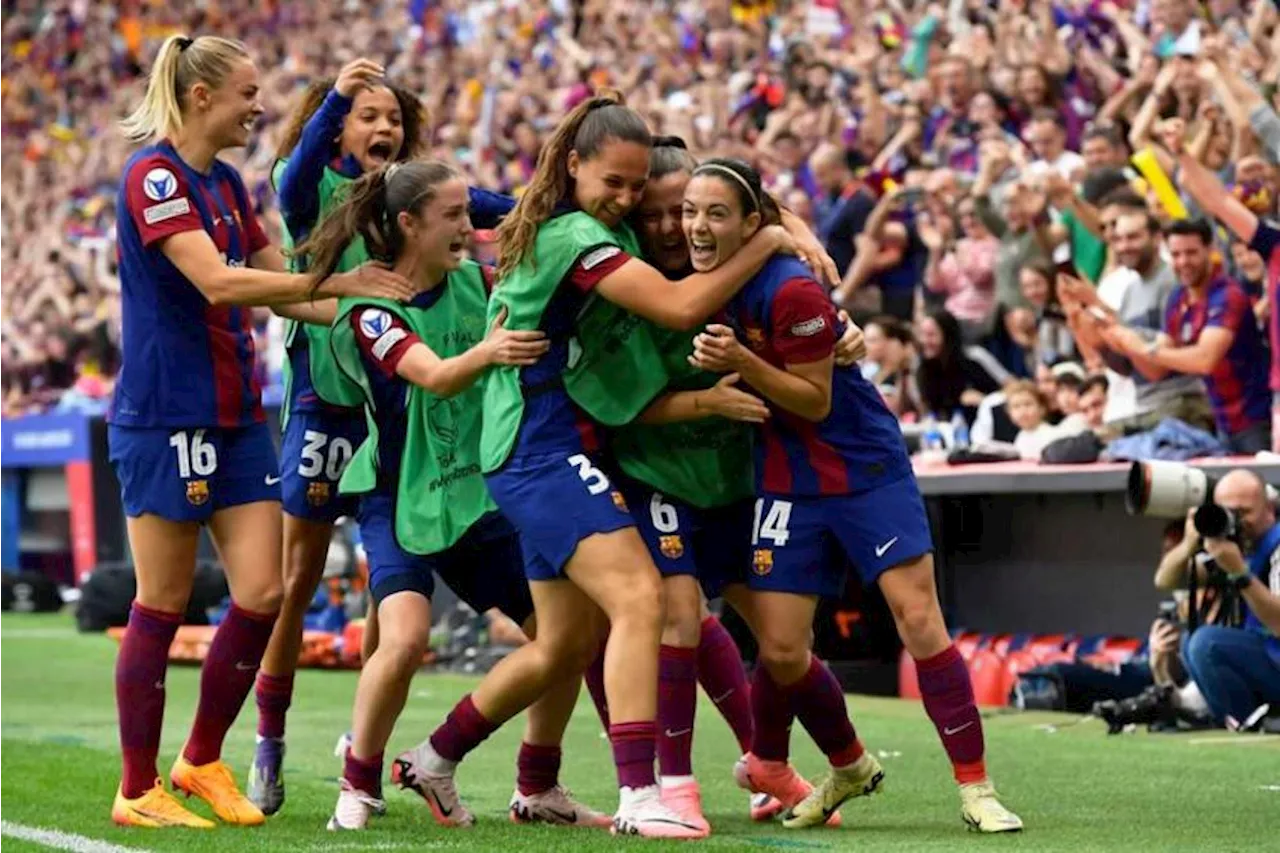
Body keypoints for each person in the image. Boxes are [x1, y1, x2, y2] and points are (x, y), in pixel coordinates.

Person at [107, 34, 412, 830]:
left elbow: (287, 290)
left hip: (238, 414)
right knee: (163, 600)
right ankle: (137, 786)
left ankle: (201, 759)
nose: (259, 106)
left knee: (265, 592)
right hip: (167, 414)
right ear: (202, 96)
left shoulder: (228, 182)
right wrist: (339, 280)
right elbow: (219, 279)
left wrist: (373, 306)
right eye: (247, 93)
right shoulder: (154, 176)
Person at [479, 90, 795, 838]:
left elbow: (478, 202)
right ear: (576, 164)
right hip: (539, 442)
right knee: (641, 601)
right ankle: (643, 791)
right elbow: (681, 311)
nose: (628, 204)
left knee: (573, 635)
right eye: (616, 186)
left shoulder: (574, 221)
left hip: (564, 442)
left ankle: (464, 767)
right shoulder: (581, 236)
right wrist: (770, 239)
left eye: (640, 191)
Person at [684, 157, 1024, 833]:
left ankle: (976, 787)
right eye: (691, 211)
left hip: (864, 470)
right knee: (780, 648)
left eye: (715, 213)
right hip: (786, 477)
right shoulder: (701, 280)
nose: (695, 225)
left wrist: (742, 362)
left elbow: (813, 399)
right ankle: (840, 767)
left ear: (752, 223)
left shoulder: (792, 292)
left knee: (918, 619)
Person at [294, 160, 608, 831]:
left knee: (567, 637)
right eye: (453, 216)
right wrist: (493, 350)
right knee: (403, 640)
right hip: (396, 502)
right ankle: (359, 782)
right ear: (408, 224)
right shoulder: (371, 311)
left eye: (470, 212)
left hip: (477, 501)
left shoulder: (480, 282)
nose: (470, 227)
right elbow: (433, 376)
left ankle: (533, 784)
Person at [249, 58, 515, 815]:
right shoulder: (312, 186)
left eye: (394, 118)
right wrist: (335, 98)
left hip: (397, 410)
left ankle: (360, 747)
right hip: (327, 408)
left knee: (385, 596)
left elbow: (508, 208)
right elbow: (295, 173)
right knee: (295, 582)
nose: (384, 128)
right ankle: (269, 738)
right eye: (369, 116)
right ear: (339, 125)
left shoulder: (421, 200)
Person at [592, 135, 854, 832]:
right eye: (661, 214)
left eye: (687, 210)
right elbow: (615, 407)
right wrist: (707, 400)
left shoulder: (743, 269)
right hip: (656, 475)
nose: (676, 226)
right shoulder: (626, 277)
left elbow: (803, 320)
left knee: (783, 642)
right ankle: (672, 786)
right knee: (679, 614)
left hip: (737, 477)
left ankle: (777, 765)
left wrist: (839, 325)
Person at [1101, 218, 1271, 454]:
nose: (1183, 262)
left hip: (1256, 419)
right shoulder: (1178, 298)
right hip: (1221, 422)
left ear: (1210, 250)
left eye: (1191, 253)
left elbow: (1205, 360)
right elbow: (1156, 371)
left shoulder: (1228, 295)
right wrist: (1119, 340)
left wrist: (1143, 348)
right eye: (1176, 254)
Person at [1155, 470, 1280, 728]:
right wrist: (1189, 544)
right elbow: (1166, 580)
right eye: (1227, 513)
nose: (1236, 521)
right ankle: (1244, 720)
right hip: (1269, 662)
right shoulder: (1235, 546)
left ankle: (1250, 724)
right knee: (1193, 640)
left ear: (1268, 508)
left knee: (1207, 643)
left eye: (1244, 512)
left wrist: (1239, 573)